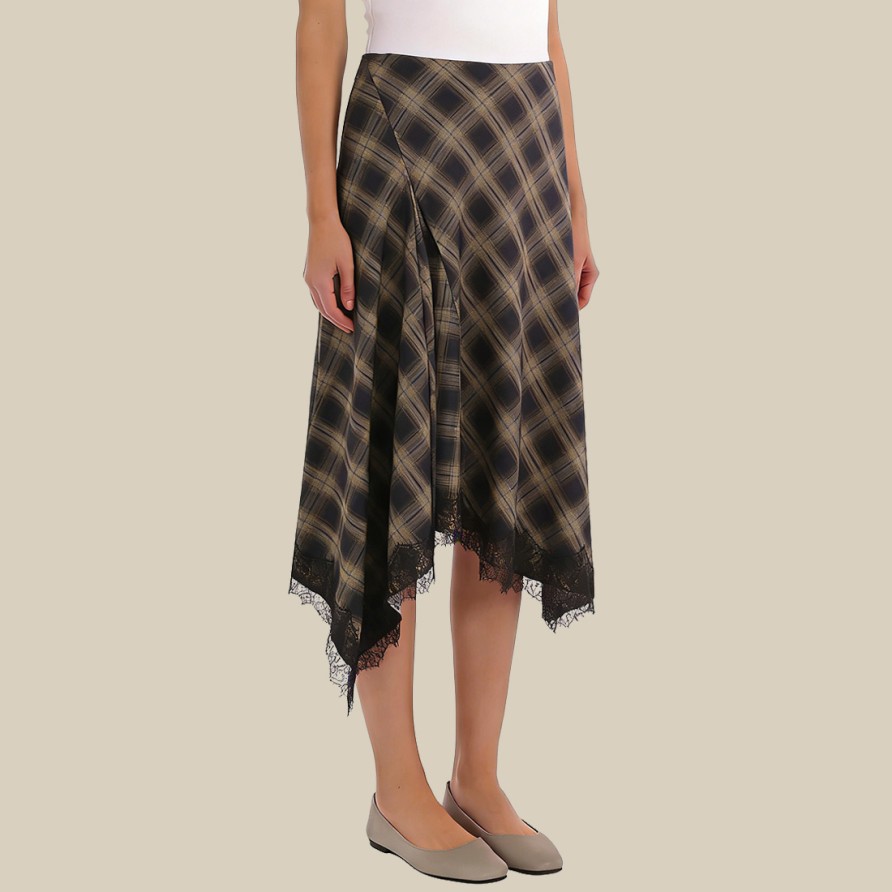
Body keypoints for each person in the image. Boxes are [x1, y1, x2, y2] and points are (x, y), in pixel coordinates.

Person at [289, 0, 598, 881]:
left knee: (505, 462)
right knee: (393, 452)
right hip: (405, 128)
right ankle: (398, 789)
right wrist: (321, 214)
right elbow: (320, 21)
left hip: (523, 142)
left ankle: (478, 777)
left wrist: (575, 197)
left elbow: (545, 26)